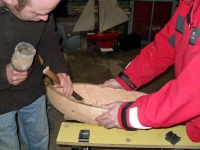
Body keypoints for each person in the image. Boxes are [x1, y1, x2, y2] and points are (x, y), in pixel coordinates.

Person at [95, 0, 200, 142]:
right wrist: (126, 80)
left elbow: (194, 90)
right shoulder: (189, 5)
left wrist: (129, 115)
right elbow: (164, 48)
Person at [0, 0, 74, 149]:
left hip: (33, 90)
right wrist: (2, 74)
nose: (45, 18)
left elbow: (48, 41)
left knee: (39, 141)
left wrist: (59, 69)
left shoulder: (42, 7)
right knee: (8, 146)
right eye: (37, 13)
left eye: (49, 11)